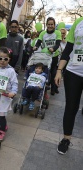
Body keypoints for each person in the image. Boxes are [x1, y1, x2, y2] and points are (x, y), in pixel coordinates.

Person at [55, 17, 83, 155]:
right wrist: (59, 71)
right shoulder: (78, 23)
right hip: (73, 71)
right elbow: (68, 49)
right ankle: (66, 139)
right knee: (71, 107)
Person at [33, 17, 62, 95]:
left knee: (53, 72)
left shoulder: (57, 33)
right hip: (45, 56)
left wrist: (53, 48)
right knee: (45, 71)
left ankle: (53, 88)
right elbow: (39, 41)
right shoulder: (43, 33)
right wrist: (35, 47)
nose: (50, 26)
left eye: (52, 24)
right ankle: (44, 87)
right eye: (48, 24)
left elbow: (58, 43)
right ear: (46, 25)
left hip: (54, 55)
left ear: (54, 25)